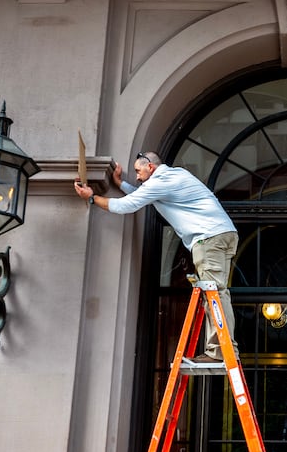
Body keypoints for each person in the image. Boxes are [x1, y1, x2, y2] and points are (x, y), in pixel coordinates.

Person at [74, 151, 238, 364]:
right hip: (223, 234)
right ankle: (224, 348)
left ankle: (221, 351)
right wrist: (121, 184)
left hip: (208, 238)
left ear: (150, 166)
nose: (138, 177)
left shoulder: (160, 181)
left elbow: (127, 205)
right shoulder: (173, 175)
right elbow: (143, 196)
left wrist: (92, 198)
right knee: (218, 293)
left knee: (213, 294)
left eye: (138, 171)